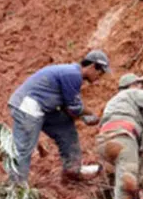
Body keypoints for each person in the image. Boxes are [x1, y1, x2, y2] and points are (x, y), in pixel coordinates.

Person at [8, 50, 110, 184]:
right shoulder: (73, 75)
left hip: (42, 108)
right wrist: (90, 115)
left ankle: (72, 170)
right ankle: (16, 188)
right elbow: (73, 108)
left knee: (65, 127)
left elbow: (67, 107)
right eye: (100, 72)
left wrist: (82, 116)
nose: (99, 77)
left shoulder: (71, 73)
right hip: (27, 108)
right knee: (24, 149)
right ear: (92, 66)